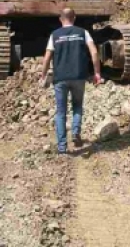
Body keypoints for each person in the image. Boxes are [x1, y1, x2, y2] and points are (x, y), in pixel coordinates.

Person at [41, 8, 101, 154]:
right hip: (79, 76)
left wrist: (43, 75)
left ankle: (62, 147)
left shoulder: (54, 35)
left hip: (60, 78)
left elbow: (47, 57)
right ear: (74, 18)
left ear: (60, 19)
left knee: (61, 112)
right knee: (77, 106)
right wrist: (97, 73)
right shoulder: (83, 32)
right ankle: (75, 132)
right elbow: (94, 52)